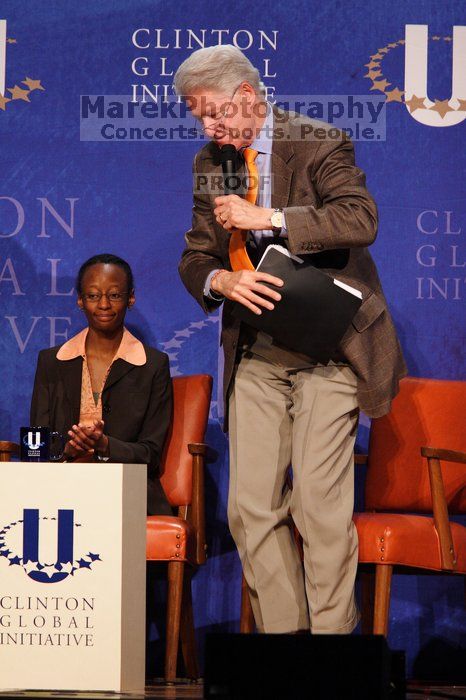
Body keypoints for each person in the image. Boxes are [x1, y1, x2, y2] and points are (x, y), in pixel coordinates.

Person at [175, 45, 407, 634]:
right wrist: (219, 278)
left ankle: (330, 650)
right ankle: (284, 649)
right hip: (258, 349)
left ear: (248, 97)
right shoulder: (212, 160)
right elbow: (196, 255)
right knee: (249, 507)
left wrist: (271, 218)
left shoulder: (318, 141)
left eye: (214, 114)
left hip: (330, 349)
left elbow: (360, 218)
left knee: (317, 507)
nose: (209, 129)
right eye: (200, 118)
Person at [30, 253, 173, 516]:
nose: (104, 304)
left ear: (131, 298)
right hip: (60, 491)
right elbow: (35, 448)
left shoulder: (153, 365)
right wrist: (67, 449)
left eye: (115, 295)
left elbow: (151, 455)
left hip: (126, 492)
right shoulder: (51, 361)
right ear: (80, 301)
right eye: (93, 295)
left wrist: (105, 445)